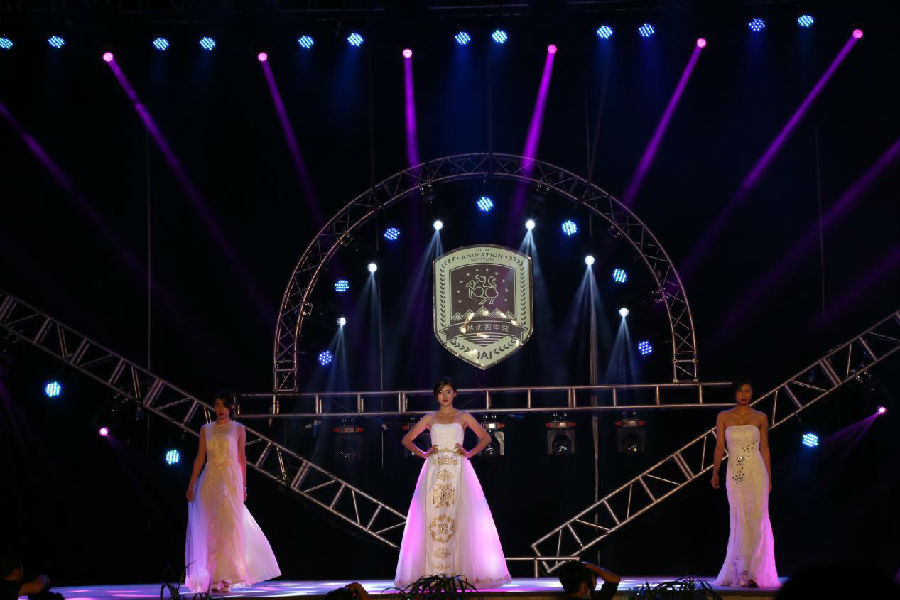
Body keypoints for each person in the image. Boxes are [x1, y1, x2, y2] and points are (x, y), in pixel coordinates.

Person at [394, 377, 511, 588]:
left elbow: (485, 438)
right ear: (436, 395)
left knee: (461, 517)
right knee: (433, 516)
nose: (444, 396)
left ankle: (458, 571)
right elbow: (406, 439)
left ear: (455, 393)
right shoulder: (430, 418)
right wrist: (424, 453)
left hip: (458, 470)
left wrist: (469, 453)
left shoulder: (463, 416)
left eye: (448, 391)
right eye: (440, 392)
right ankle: (433, 571)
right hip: (435, 471)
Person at [184, 392, 280, 592]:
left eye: (224, 405)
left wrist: (243, 486)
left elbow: (241, 459)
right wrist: (192, 483)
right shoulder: (206, 429)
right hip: (210, 480)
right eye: (217, 405)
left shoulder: (238, 429)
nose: (220, 409)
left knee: (229, 528)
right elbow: (200, 458)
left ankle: (227, 577)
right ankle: (213, 577)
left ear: (230, 408)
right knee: (210, 528)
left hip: (230, 481)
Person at [711, 379, 778, 588]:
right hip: (735, 473)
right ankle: (741, 571)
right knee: (739, 518)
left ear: (752, 393)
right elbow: (719, 446)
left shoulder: (760, 417)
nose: (743, 394)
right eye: (740, 390)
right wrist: (715, 472)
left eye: (747, 390)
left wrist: (769, 477)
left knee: (757, 519)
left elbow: (765, 448)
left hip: (756, 472)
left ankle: (755, 572)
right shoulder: (723, 416)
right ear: (734, 393)